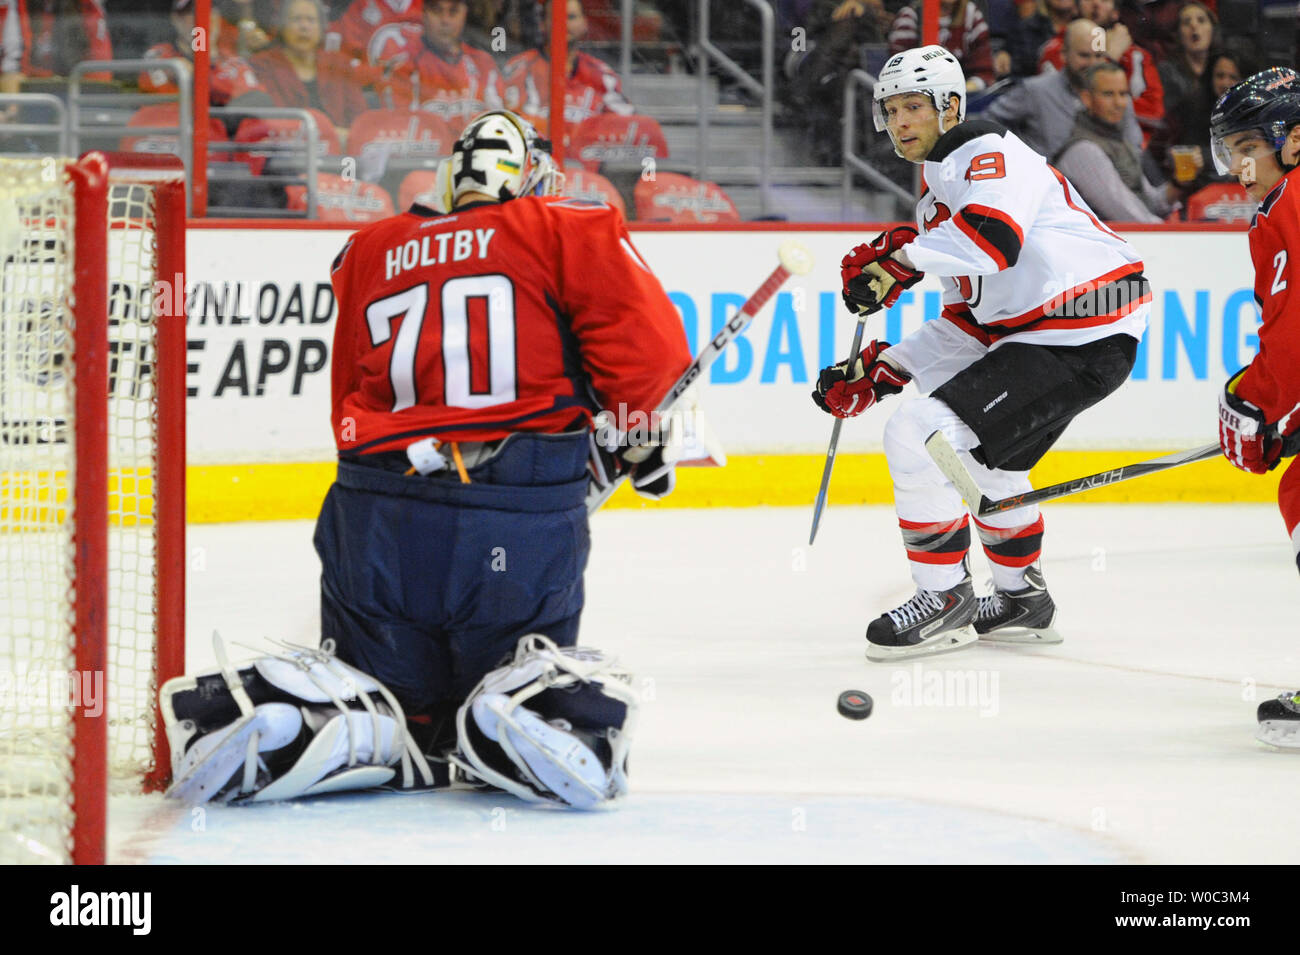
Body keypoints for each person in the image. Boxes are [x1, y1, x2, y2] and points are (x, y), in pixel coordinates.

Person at [160, 110, 690, 807]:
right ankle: (511, 716)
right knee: (525, 682)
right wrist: (619, 433)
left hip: (373, 527)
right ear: (529, 176)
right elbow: (653, 362)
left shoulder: (369, 247)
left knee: (399, 706)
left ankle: (335, 716)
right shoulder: (565, 224)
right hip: (514, 527)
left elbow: (351, 401)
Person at [812, 46, 1149, 660]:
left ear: (951, 106)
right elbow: (971, 319)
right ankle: (1023, 600)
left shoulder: (985, 148)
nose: (900, 122)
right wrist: (889, 368)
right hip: (1053, 337)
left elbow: (995, 242)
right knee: (991, 470)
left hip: (1080, 332)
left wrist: (904, 257)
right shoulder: (939, 197)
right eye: (890, 111)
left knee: (917, 435)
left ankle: (944, 599)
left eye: (914, 106)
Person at [1207, 67, 1300, 748]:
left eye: (1249, 147)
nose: (1238, 167)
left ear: (1293, 141)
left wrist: (1257, 403)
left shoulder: (1286, 206)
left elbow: (1292, 336)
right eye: (1230, 149)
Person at [985, 18, 1142, 158]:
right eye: (1084, 55)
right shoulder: (1036, 91)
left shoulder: (1118, 97)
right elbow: (987, 122)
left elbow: (1135, 150)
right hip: (1046, 185)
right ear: (1063, 55)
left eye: (1099, 56)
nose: (1093, 63)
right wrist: (1017, 158)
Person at [1054, 61, 1177, 221]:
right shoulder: (1083, 150)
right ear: (1086, 99)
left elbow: (1149, 202)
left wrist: (1179, 185)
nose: (1119, 103)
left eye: (1123, 94)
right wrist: (1174, 235)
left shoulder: (1120, 140)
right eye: (1108, 94)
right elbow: (1129, 215)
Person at [1039, 0, 1164, 146]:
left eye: (1104, 0)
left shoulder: (1136, 55)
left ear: (1116, 12)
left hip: (1128, 147)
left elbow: (1154, 110)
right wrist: (1109, 57)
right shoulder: (1057, 50)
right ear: (1077, 6)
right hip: (1070, 142)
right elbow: (1063, 102)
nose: (1096, 3)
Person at [501, 0, 633, 133]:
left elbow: (628, 127)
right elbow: (509, 124)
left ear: (584, 23)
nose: (564, 24)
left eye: (571, 17)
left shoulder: (602, 75)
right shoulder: (519, 69)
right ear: (542, 24)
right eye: (556, 17)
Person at [250, 0, 370, 133]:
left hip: (340, 149)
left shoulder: (340, 65)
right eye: (296, 19)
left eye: (311, 20)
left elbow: (360, 121)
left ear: (322, 27)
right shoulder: (262, 66)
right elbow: (267, 121)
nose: (304, 27)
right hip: (286, 148)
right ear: (282, 25)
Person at [140, 0, 274, 109]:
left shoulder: (232, 61)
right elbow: (164, 104)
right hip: (174, 136)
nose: (203, 19)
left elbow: (254, 102)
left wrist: (196, 76)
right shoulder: (160, 56)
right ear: (176, 20)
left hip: (221, 138)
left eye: (210, 11)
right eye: (193, 12)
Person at [387, 0, 504, 124]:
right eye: (437, 11)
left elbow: (500, 123)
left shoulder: (483, 64)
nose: (445, 21)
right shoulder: (404, 67)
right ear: (424, 15)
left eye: (453, 12)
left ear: (464, 14)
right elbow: (401, 126)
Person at [888, 0, 995, 91]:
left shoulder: (971, 15)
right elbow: (897, 74)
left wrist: (962, 91)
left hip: (964, 96)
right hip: (918, 97)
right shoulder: (910, 17)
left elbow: (984, 71)